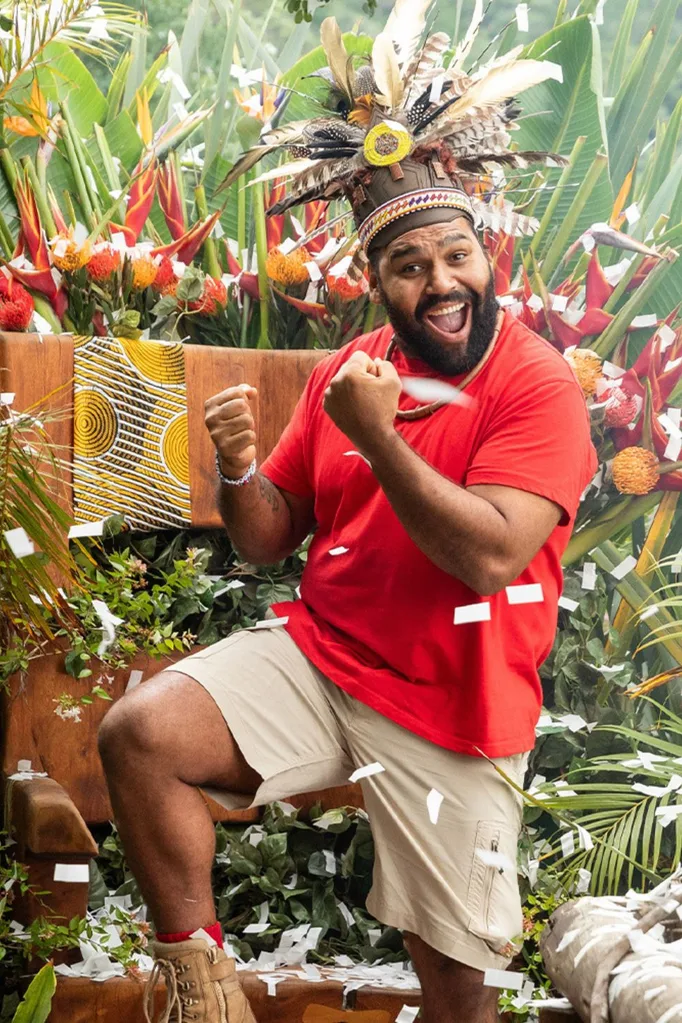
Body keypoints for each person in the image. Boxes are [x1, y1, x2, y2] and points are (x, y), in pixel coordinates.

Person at [98, 9, 597, 1021]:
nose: (441, 282)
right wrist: (239, 468)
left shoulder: (535, 384)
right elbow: (266, 538)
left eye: (456, 255)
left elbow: (491, 557)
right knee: (142, 733)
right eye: (410, 266)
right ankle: (202, 995)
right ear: (377, 283)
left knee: (458, 990)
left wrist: (380, 439)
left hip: (455, 706)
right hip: (325, 660)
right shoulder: (351, 368)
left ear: (487, 256)